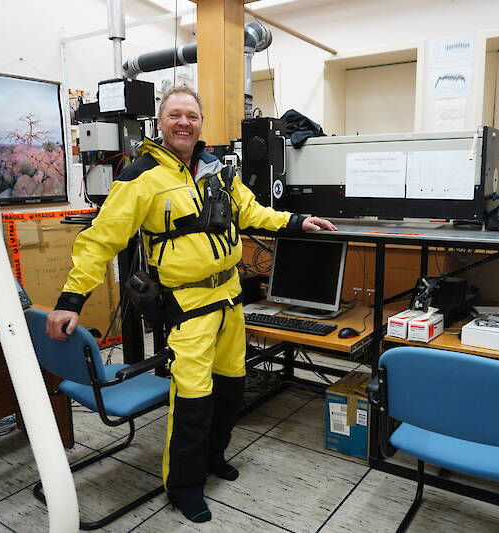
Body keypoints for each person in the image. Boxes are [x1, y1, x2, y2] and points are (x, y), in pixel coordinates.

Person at [46, 86, 336, 523]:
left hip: (230, 301)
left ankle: (213, 458)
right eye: (175, 115)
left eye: (192, 116)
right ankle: (183, 485)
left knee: (231, 389)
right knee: (194, 400)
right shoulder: (140, 177)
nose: (184, 123)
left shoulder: (218, 172)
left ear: (201, 124)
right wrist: (71, 300)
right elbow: (99, 241)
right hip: (188, 307)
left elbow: (251, 211)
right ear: (160, 123)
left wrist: (296, 220)